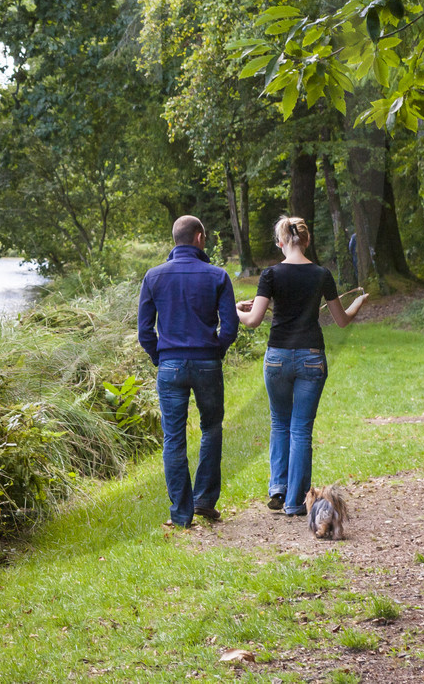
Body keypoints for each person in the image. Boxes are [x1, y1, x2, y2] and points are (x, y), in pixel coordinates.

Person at [238, 215, 367, 518]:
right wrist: (358, 303)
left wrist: (235, 310)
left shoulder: (270, 274)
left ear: (281, 242)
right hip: (311, 356)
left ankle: (277, 488)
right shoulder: (321, 274)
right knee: (300, 430)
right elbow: (341, 319)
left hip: (278, 357)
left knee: (280, 424)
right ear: (307, 240)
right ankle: (295, 503)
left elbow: (254, 320)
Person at [138, 215, 239, 528]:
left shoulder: (153, 277)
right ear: (199, 238)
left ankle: (181, 514)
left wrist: (161, 358)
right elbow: (231, 326)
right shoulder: (218, 276)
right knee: (211, 428)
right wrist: (215, 350)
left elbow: (144, 331)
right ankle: (205, 500)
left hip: (171, 366)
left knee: (174, 439)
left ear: (175, 239)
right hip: (207, 363)